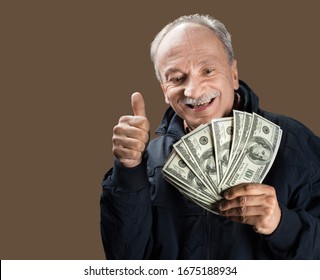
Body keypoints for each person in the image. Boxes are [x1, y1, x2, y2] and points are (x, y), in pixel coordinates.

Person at [100, 14, 320, 259]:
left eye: (207, 70)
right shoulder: (148, 160)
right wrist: (128, 171)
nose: (193, 90)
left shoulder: (295, 143)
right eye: (177, 78)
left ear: (234, 74)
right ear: (164, 90)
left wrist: (283, 226)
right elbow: (124, 261)